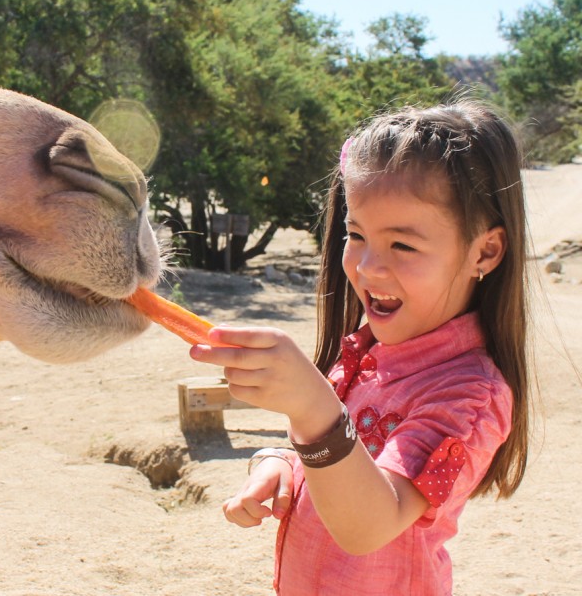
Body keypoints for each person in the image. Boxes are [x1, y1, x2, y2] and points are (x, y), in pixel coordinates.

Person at [190, 100, 531, 595]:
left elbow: (371, 524)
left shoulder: (470, 395)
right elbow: (343, 458)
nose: (368, 268)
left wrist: (311, 407)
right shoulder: (364, 355)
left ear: (485, 251)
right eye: (355, 234)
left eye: (404, 245)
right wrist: (281, 465)